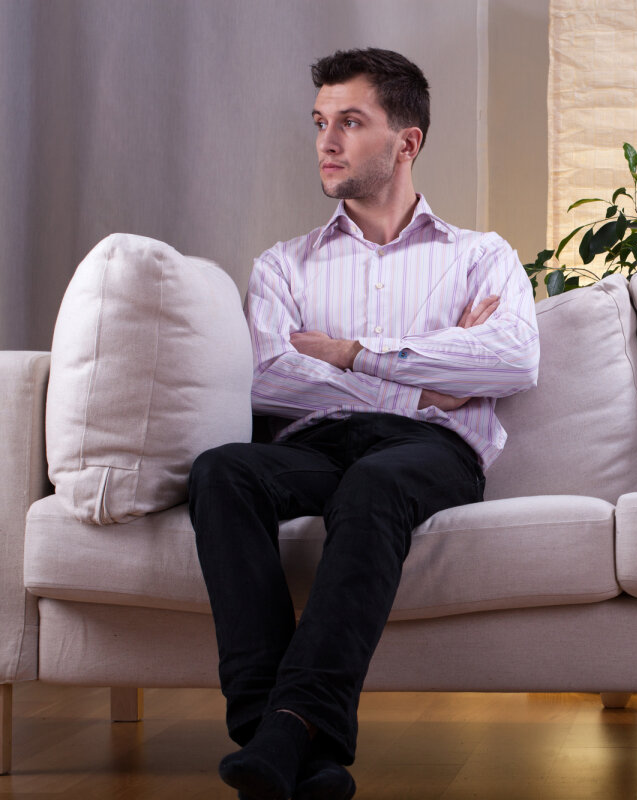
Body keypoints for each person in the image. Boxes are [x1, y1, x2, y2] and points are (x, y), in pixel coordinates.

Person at [187, 48, 539, 800]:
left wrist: (351, 353)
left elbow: (512, 360)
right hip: (320, 443)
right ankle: (283, 738)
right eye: (320, 122)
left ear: (406, 142)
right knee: (223, 471)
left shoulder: (480, 256)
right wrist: (427, 386)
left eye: (350, 122)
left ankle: (283, 734)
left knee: (375, 484)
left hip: (429, 453)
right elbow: (268, 374)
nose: (326, 141)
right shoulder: (283, 265)